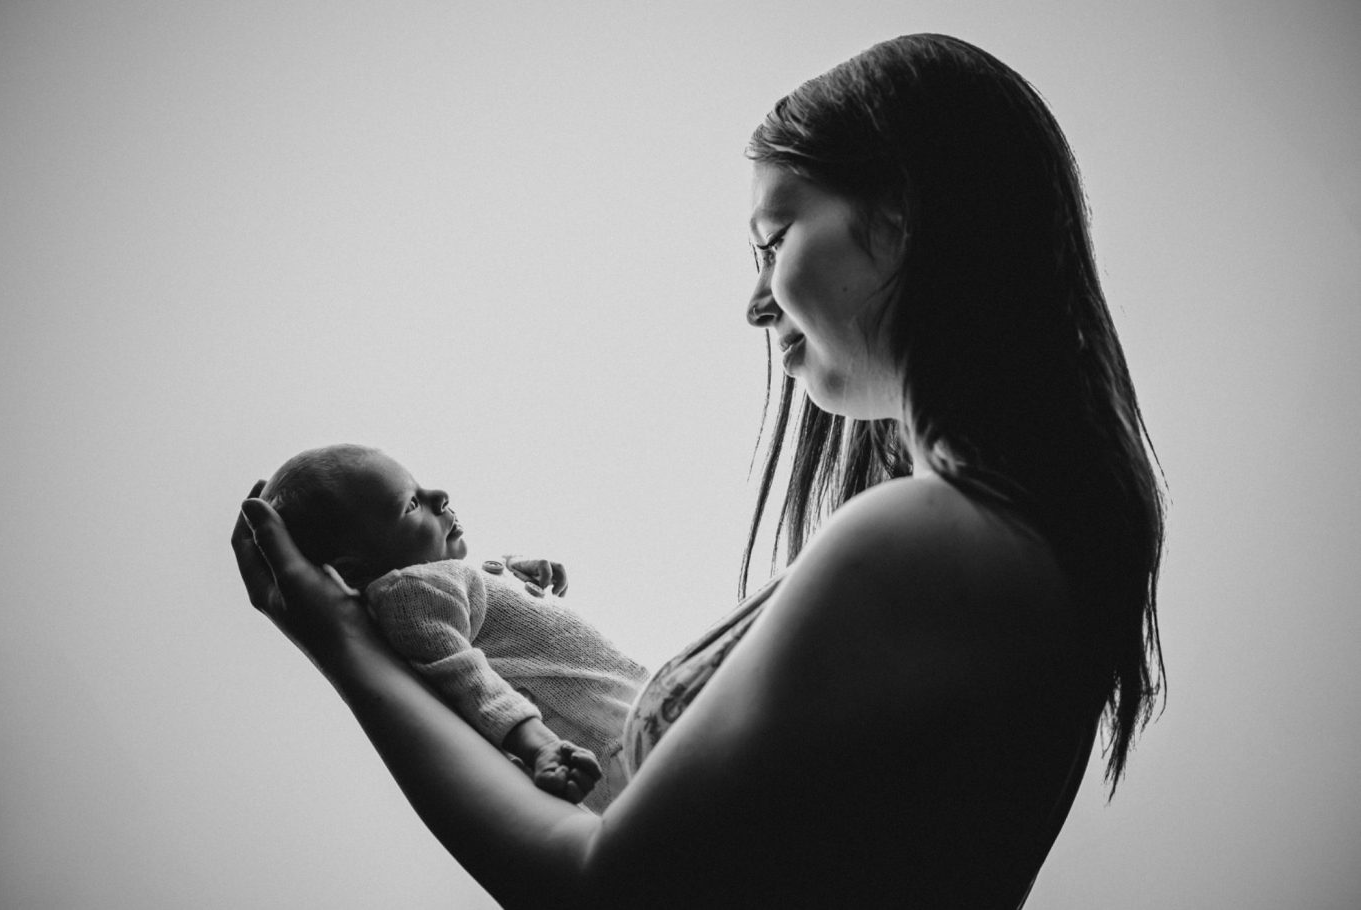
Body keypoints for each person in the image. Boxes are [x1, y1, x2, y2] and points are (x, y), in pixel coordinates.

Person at [233, 33, 1165, 908]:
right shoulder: (1027, 551)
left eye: (774, 239)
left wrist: (345, 649)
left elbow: (597, 890)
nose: (756, 304)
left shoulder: (921, 540)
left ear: (902, 214)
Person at [257, 443, 647, 811]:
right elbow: (467, 677)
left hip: (630, 721)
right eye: (411, 504)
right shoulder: (410, 592)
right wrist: (540, 744)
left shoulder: (439, 583)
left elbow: (495, 618)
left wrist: (514, 571)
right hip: (613, 744)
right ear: (352, 571)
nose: (439, 496)